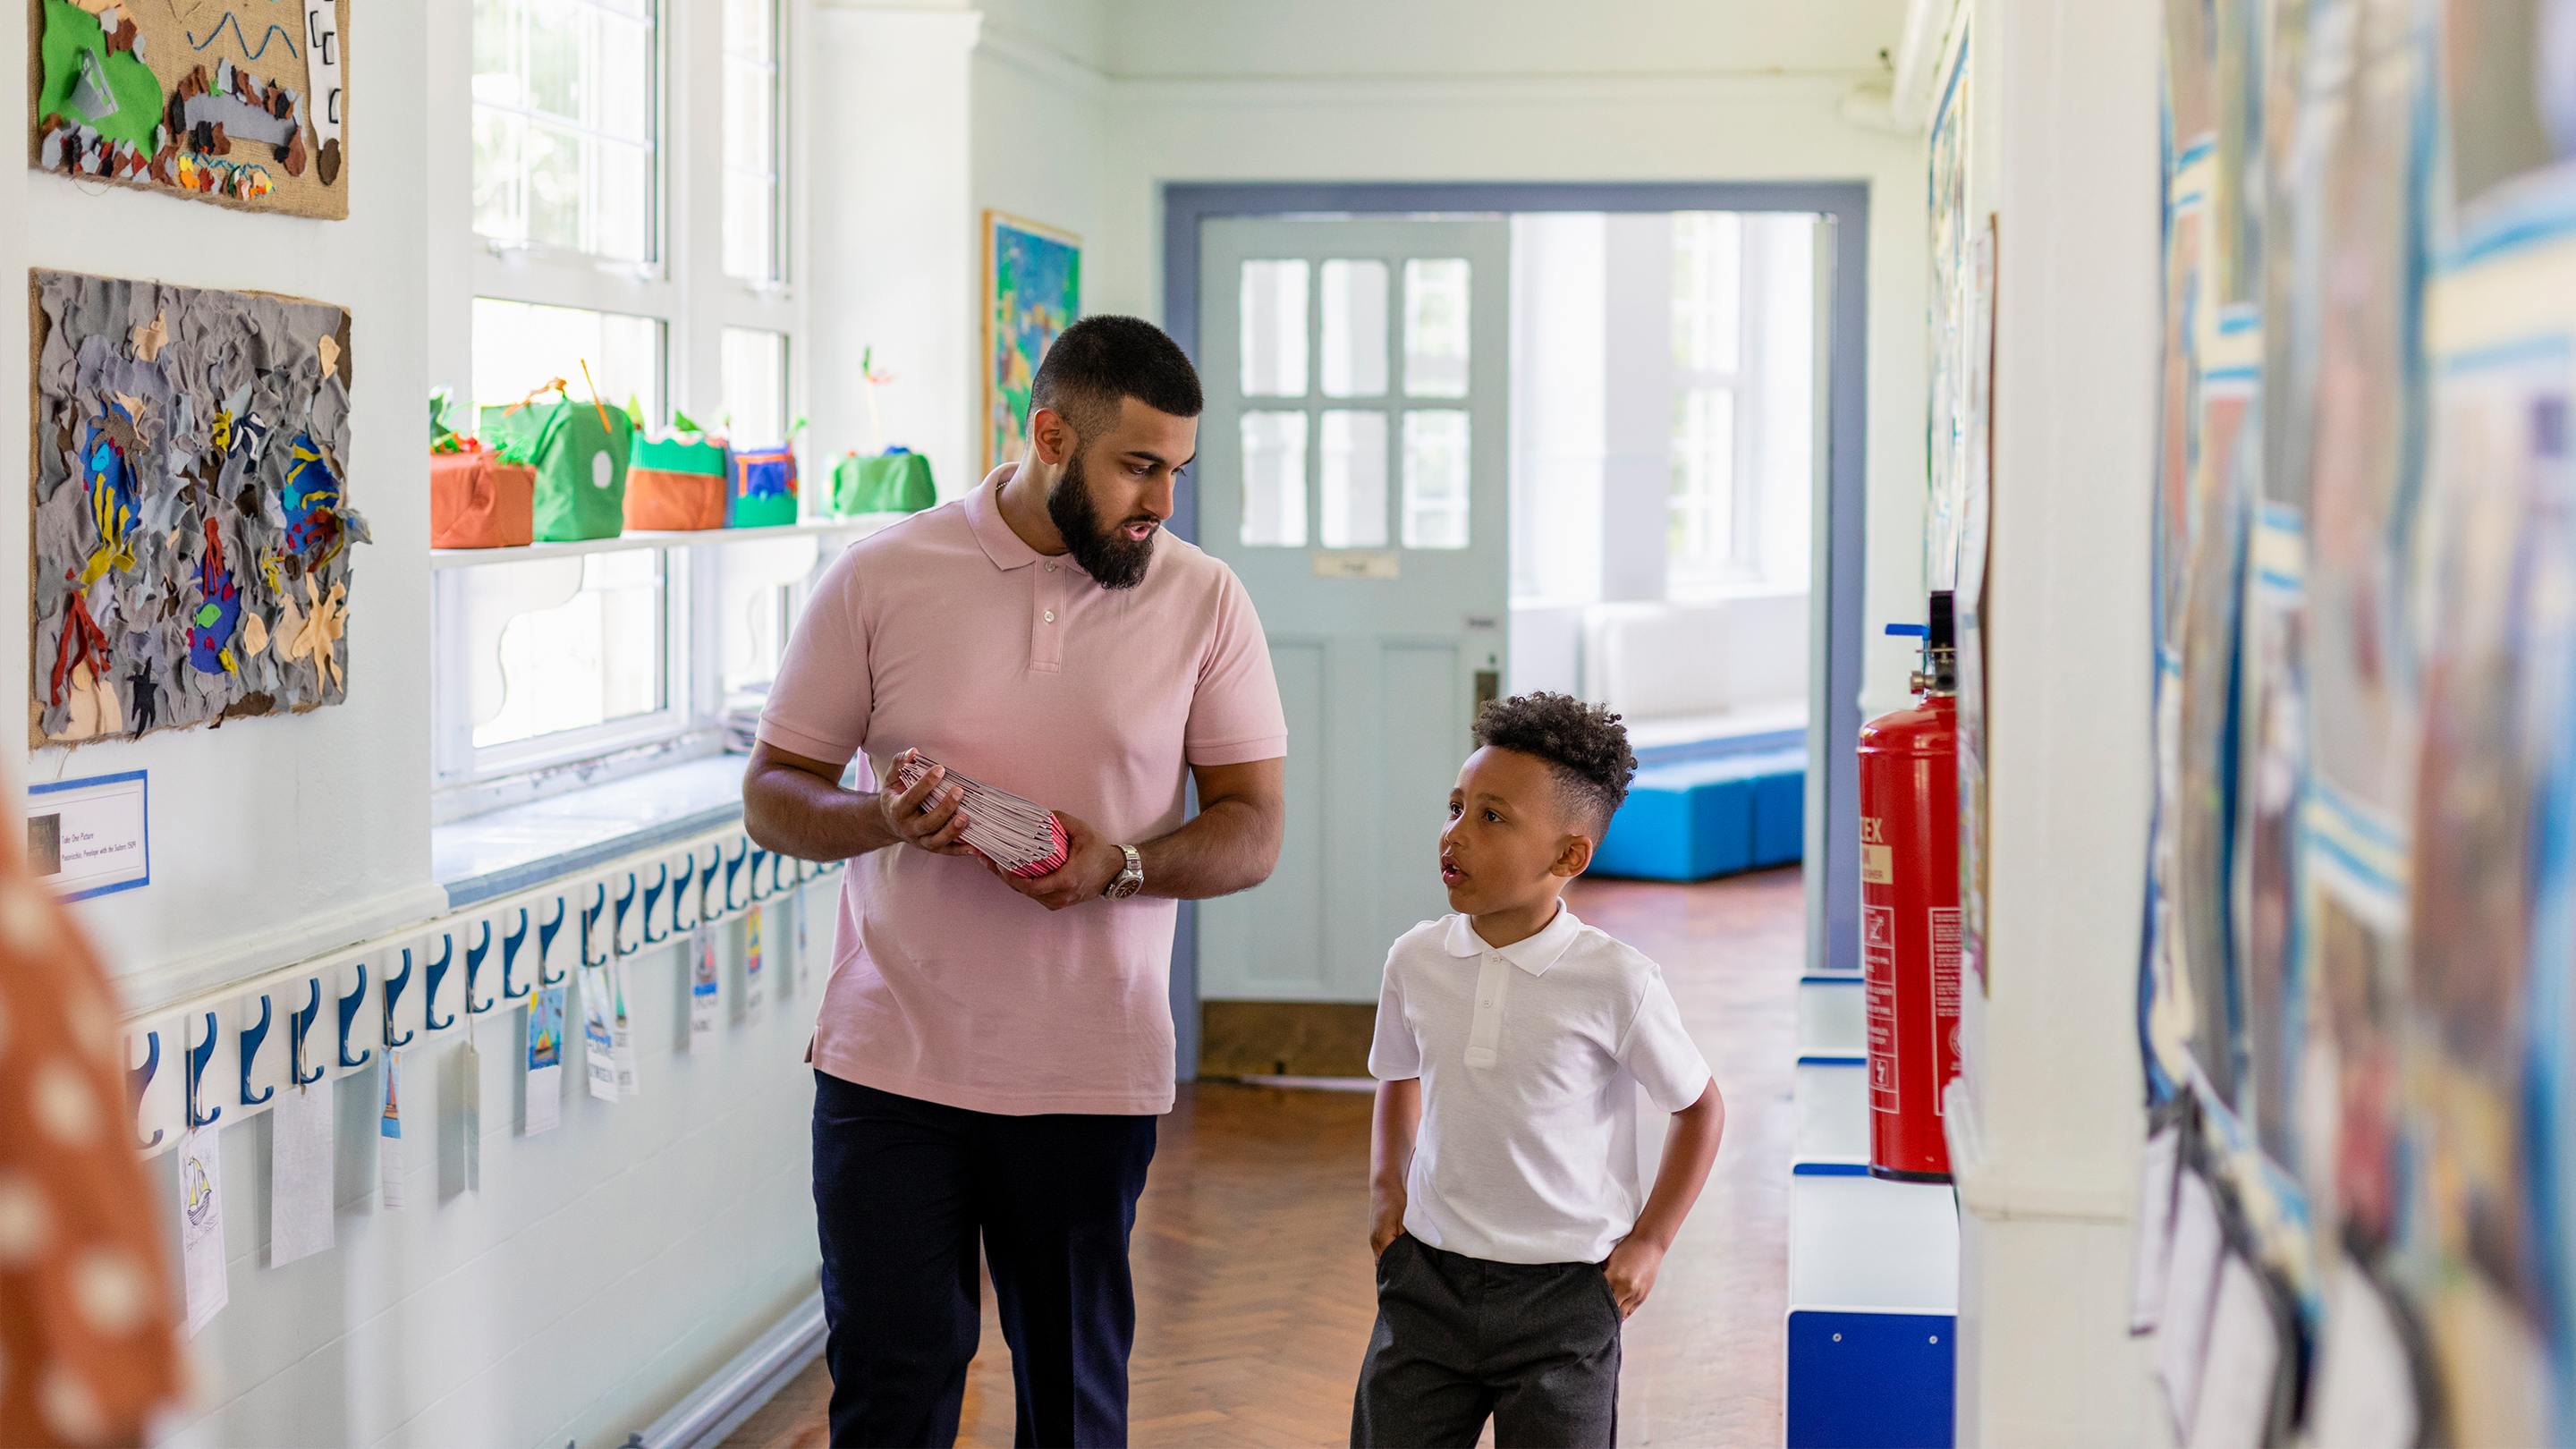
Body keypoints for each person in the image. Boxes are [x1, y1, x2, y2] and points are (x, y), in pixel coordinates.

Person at [741, 315, 1287, 1449]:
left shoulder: (1206, 600)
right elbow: (773, 795)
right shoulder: (882, 577)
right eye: (1139, 466)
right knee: (891, 1400)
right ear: (1051, 435)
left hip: (1091, 1073)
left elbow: (1253, 830)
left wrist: (1120, 869)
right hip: (891, 1071)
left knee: (1076, 1413)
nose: (1163, 504)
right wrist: (878, 819)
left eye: (1178, 471)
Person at [1352, 692, 1724, 1449]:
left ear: (1567, 856)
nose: (1455, 833)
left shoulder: (1618, 980)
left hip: (1566, 1297)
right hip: (1427, 1282)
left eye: (1492, 817)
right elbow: (1399, 1074)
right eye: (1457, 807)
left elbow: (1699, 1108)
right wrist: (1388, 1191)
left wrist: (1650, 1242)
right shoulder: (1415, 959)